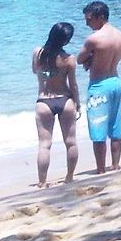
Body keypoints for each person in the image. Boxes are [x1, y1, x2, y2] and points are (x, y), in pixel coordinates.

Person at [77, 0, 121, 174]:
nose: (87, 23)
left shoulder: (94, 39)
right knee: (115, 126)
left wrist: (90, 58)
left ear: (101, 17)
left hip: (99, 85)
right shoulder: (120, 35)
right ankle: (115, 164)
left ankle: (100, 169)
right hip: (115, 82)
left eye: (89, 19)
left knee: (98, 129)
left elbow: (79, 59)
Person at [32, 22, 80, 187]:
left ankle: (42, 181)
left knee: (44, 145)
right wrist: (78, 104)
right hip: (65, 100)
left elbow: (34, 70)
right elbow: (73, 85)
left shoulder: (37, 53)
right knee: (71, 142)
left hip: (44, 101)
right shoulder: (69, 59)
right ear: (66, 41)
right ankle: (69, 177)